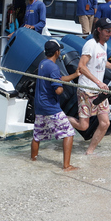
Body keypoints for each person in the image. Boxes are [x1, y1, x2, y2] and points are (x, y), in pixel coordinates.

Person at [67, 17, 111, 155]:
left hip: (99, 92)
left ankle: (89, 152)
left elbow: (103, 62)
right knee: (83, 126)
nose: (110, 33)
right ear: (99, 30)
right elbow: (81, 66)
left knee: (105, 123)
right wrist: (98, 82)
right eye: (107, 31)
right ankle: (61, 119)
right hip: (86, 91)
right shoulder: (90, 44)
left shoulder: (104, 45)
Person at [31, 39, 81, 171]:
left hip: (40, 105)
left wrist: (75, 75)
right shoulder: (53, 67)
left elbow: (57, 79)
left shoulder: (43, 63)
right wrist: (61, 89)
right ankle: (66, 166)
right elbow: (58, 89)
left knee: (37, 135)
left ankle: (32, 161)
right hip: (50, 106)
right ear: (57, 52)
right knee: (69, 132)